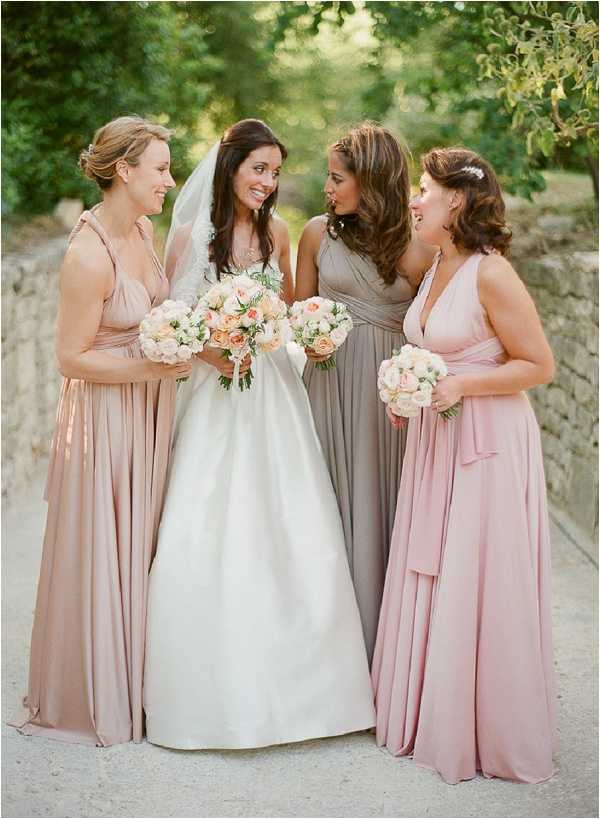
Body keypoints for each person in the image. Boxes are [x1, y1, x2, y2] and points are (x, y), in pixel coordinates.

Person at [143, 119, 375, 750]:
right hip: (214, 394)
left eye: (275, 172)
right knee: (209, 521)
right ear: (231, 167)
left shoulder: (278, 234)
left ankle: (311, 696)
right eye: (259, 169)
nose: (268, 182)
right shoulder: (190, 236)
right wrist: (213, 349)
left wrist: (307, 334)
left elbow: (291, 313)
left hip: (274, 394)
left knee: (291, 520)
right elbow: (174, 319)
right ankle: (204, 692)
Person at [372, 147, 556, 783]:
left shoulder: (491, 273)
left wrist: (461, 386)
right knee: (440, 564)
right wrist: (409, 393)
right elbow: (433, 350)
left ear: (456, 200)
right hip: (438, 437)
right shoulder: (436, 265)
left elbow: (538, 365)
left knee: (480, 571)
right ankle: (435, 708)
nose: (414, 200)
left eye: (424, 189)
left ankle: (489, 727)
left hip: (488, 442)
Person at [12, 116, 191, 746]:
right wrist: (152, 367)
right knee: (106, 541)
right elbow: (70, 358)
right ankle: (95, 692)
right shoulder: (86, 255)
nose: (169, 181)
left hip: (146, 406)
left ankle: (139, 682)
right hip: (104, 415)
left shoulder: (143, 229)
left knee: (141, 537)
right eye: (160, 169)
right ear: (124, 170)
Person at [295, 123, 436, 662]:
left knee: (384, 506)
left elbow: (432, 330)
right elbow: (298, 315)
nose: (327, 188)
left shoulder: (420, 247)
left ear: (372, 181)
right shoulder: (316, 234)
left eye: (337, 179)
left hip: (387, 398)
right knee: (322, 505)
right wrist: (310, 339)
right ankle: (326, 652)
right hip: (326, 387)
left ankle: (386, 652)